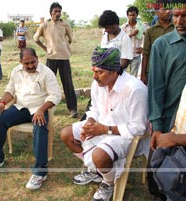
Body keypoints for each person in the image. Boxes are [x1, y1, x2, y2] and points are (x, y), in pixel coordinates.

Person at [60, 47, 148, 201]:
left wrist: (104, 129)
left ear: (114, 71)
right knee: (66, 134)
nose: (95, 76)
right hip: (101, 127)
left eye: (99, 72)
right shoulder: (99, 84)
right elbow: (94, 108)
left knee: (99, 155)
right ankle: (97, 170)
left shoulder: (135, 89)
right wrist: (90, 122)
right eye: (94, 71)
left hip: (125, 135)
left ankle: (108, 182)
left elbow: (139, 127)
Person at [0, 47, 62, 190]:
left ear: (37, 58)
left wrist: (42, 109)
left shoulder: (46, 72)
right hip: (21, 107)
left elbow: (55, 95)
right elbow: (9, 91)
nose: (31, 66)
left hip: (39, 108)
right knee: (1, 119)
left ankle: (40, 172)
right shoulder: (15, 71)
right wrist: (2, 103)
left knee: (40, 126)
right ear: (21, 62)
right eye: (27, 64)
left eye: (33, 62)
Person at [148, 1, 186, 200]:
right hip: (170, 121)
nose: (180, 21)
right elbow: (156, 88)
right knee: (170, 171)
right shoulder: (162, 45)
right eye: (176, 15)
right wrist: (156, 125)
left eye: (185, 16)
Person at [33, 2, 78, 118]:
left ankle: (72, 109)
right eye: (55, 11)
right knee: (47, 84)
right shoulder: (45, 25)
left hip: (64, 58)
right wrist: (45, 48)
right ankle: (46, 108)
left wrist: (64, 47)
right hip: (51, 58)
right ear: (50, 13)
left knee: (68, 84)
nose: (57, 14)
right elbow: (36, 39)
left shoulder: (65, 25)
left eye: (59, 11)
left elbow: (71, 39)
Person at [140, 0, 174, 85]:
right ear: (157, 12)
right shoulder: (150, 31)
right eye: (165, 9)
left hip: (172, 71)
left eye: (170, 9)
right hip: (153, 71)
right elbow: (145, 54)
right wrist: (143, 74)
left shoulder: (177, 29)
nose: (168, 11)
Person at [122, 6, 145, 77]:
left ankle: (131, 88)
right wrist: (132, 34)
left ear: (137, 15)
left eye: (133, 15)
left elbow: (146, 38)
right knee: (122, 74)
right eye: (130, 15)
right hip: (125, 55)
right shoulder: (124, 26)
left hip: (136, 55)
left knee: (133, 76)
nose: (131, 17)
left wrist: (142, 48)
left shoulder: (141, 26)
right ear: (127, 16)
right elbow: (121, 40)